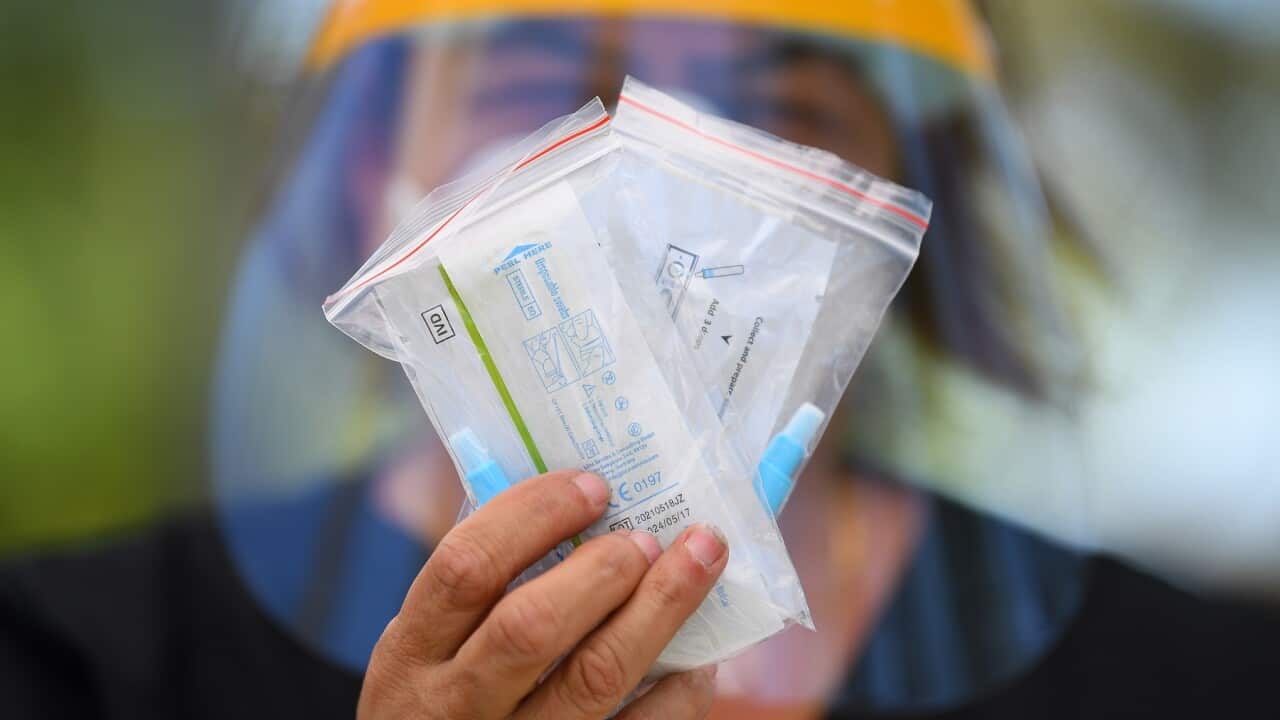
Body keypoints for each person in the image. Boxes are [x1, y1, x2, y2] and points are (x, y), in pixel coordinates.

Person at [4, 3, 1280, 719]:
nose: (648, 182)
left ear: (894, 200)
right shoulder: (72, 661)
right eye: (548, 88)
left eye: (777, 108)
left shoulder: (1203, 689)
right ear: (365, 173)